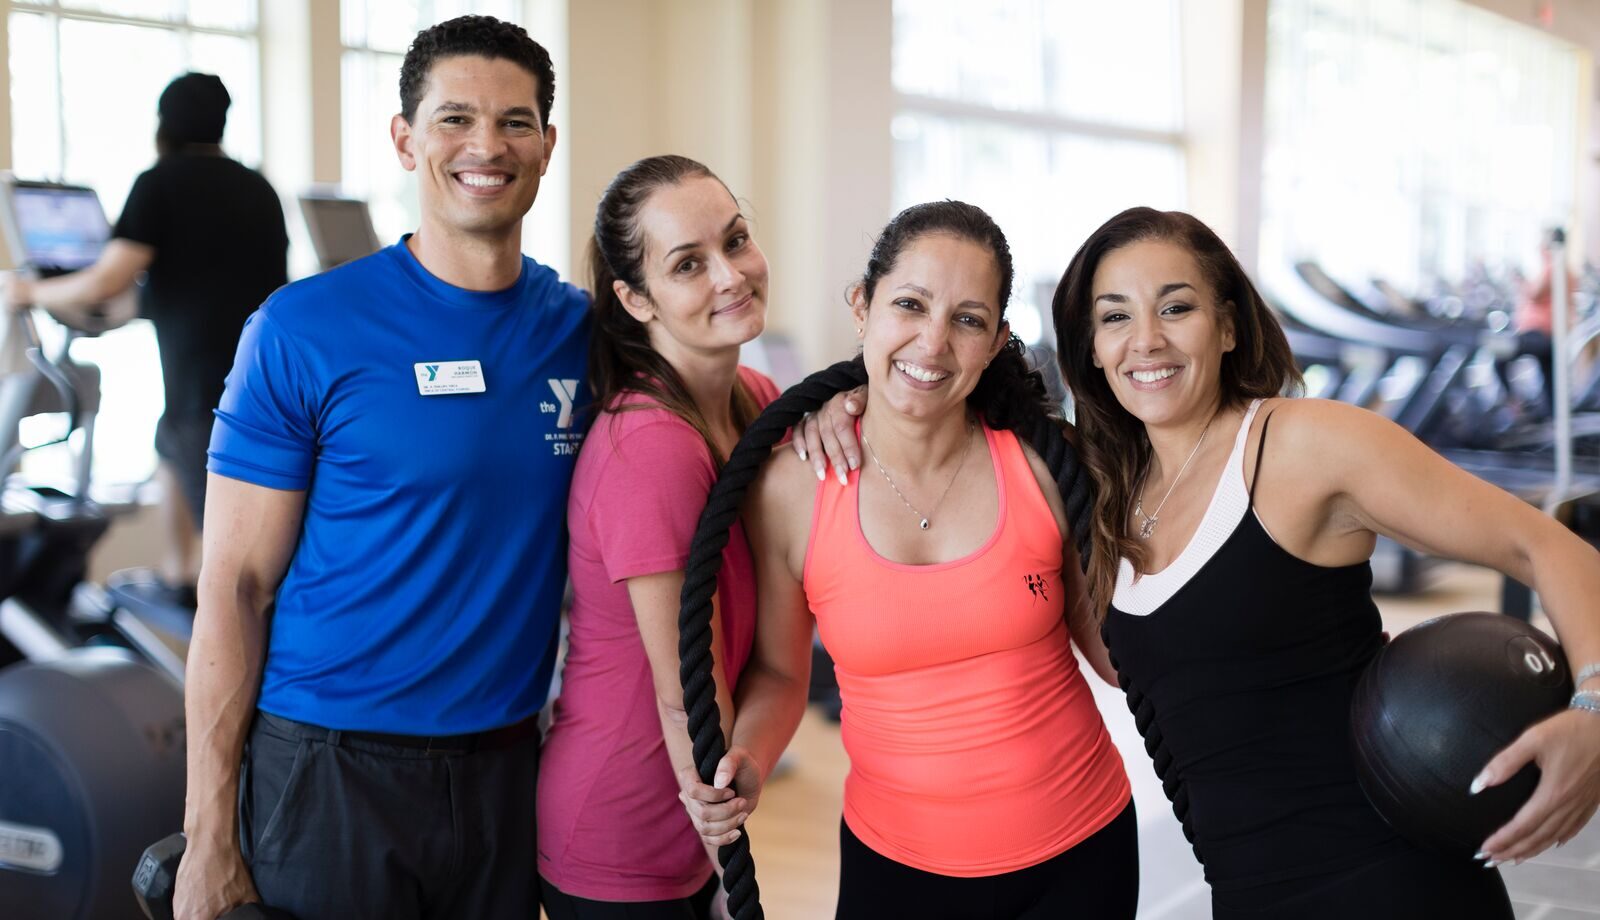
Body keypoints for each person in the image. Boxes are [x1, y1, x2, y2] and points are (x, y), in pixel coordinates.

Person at [1050, 206, 1600, 918]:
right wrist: (854, 392)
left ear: (1227, 326)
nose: (1146, 340)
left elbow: (1546, 544)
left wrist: (1594, 708)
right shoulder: (1111, 498)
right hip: (1249, 896)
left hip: (1392, 888)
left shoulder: (1302, 447)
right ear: (1091, 346)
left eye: (1176, 307)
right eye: (1115, 317)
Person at [173, 17, 582, 920]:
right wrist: (208, 836)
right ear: (404, 138)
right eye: (454, 118)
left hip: (507, 771)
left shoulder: (582, 333)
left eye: (516, 122)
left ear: (547, 146)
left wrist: (838, 404)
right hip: (329, 770)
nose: (487, 145)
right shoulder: (301, 330)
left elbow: (716, 395)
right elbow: (233, 588)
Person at [682, 201, 1138, 919]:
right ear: (862, 307)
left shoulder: (1044, 468)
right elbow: (778, 671)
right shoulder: (789, 491)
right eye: (909, 305)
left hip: (1079, 848)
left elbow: (1115, 654)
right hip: (895, 864)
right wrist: (749, 759)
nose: (931, 343)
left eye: (967, 319)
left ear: (997, 342)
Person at [537, 154, 777, 918]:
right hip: (621, 829)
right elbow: (687, 699)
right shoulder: (651, 448)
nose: (731, 275)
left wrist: (835, 410)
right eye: (688, 265)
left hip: (688, 810)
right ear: (636, 300)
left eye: (735, 241)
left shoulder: (756, 399)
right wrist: (730, 878)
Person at [4, 72, 288, 597]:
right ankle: (176, 572)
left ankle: (206, 604)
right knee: (168, 445)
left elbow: (110, 277)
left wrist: (31, 295)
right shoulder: (257, 186)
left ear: (164, 124)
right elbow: (210, 276)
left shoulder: (160, 181)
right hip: (263, 378)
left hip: (203, 387)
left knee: (226, 545)